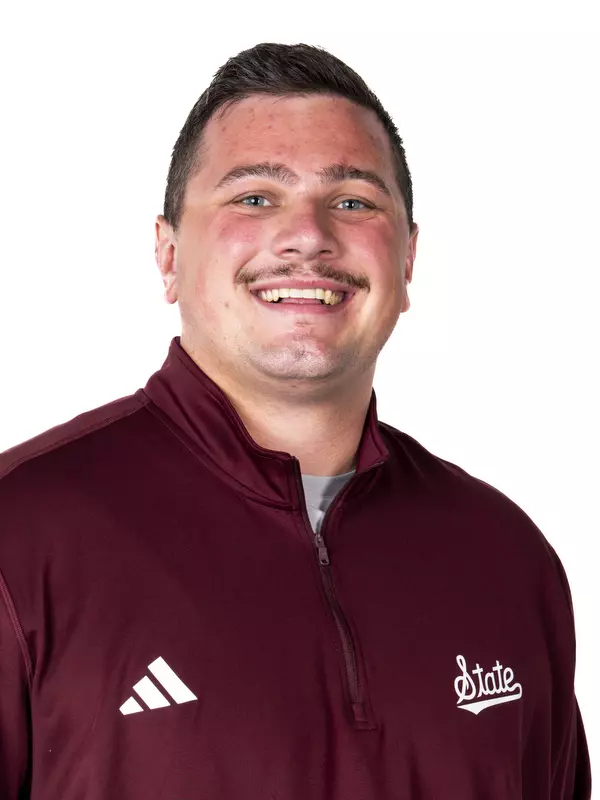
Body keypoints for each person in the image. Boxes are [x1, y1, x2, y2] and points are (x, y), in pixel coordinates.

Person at [0, 42, 591, 799]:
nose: (309, 234)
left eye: (353, 201)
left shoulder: (506, 559)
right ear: (169, 254)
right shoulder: (19, 538)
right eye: (254, 198)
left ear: (407, 260)